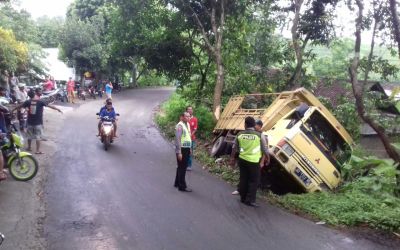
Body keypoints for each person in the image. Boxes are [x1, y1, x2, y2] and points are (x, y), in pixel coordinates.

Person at [229, 116, 268, 207]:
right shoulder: (259, 135)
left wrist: (232, 159)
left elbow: (234, 148)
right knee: (254, 180)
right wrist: (268, 158)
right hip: (253, 161)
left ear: (245, 124)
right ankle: (250, 200)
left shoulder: (240, 134)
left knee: (243, 178)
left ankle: (243, 198)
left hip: (242, 160)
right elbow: (265, 149)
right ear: (254, 125)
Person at [13, 88, 62, 154]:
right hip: (38, 123)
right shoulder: (40, 101)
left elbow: (19, 106)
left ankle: (29, 147)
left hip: (30, 122)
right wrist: (58, 109)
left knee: (29, 136)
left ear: (29, 96)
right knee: (38, 137)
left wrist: (12, 110)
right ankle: (37, 150)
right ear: (35, 94)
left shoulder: (27, 101)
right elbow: (50, 106)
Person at [174, 112, 192, 192]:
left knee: (180, 167)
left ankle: (177, 183)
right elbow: (178, 140)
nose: (188, 118)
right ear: (182, 117)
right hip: (182, 149)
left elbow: (187, 137)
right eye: (186, 116)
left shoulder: (186, 125)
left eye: (189, 116)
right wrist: (179, 152)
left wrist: (190, 148)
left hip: (186, 148)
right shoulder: (180, 126)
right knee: (182, 168)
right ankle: (182, 186)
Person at [186, 106, 197, 171]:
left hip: (191, 138)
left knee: (189, 152)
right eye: (188, 109)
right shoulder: (184, 119)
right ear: (186, 111)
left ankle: (189, 166)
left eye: (191, 109)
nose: (190, 110)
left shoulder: (195, 119)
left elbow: (195, 129)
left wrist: (190, 136)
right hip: (184, 139)